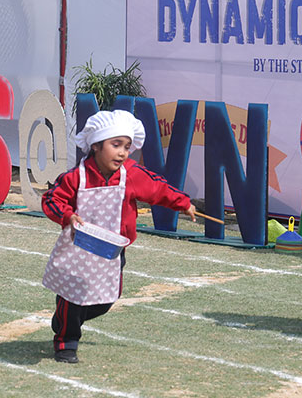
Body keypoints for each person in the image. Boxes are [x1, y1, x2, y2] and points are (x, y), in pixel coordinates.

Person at [41, 109, 198, 363]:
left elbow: (158, 189)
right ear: (96, 145)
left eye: (126, 146)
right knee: (72, 296)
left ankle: (65, 318)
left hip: (112, 250)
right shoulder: (76, 177)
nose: (123, 152)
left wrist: (183, 203)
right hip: (79, 248)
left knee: (106, 300)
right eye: (116, 145)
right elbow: (51, 200)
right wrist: (68, 216)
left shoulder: (132, 174)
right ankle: (66, 342)